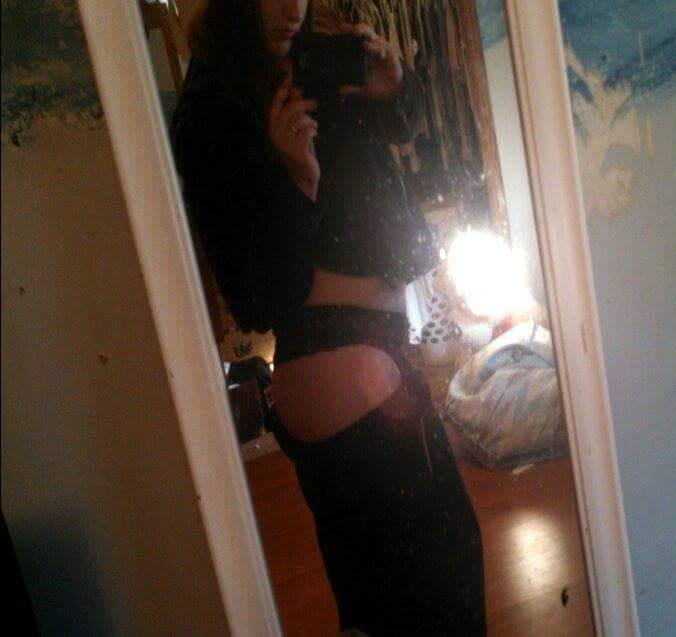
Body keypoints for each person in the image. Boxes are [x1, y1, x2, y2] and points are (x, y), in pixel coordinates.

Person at [170, 1, 486, 634]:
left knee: (380, 607)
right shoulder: (210, 110)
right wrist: (297, 181)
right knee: (445, 593)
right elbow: (257, 297)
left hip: (363, 363)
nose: (294, 7)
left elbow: (393, 140)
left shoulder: (313, 55)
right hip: (344, 364)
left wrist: (398, 89)